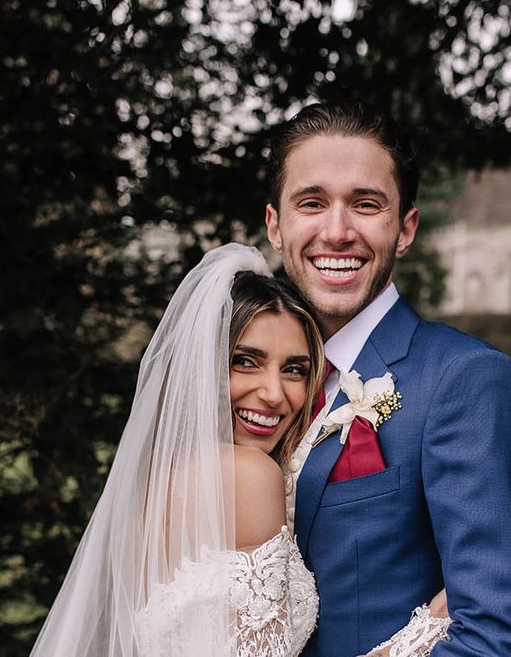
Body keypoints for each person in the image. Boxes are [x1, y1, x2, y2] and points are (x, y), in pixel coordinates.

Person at [266, 100, 511, 656]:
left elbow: (496, 642)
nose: (338, 230)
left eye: (366, 205)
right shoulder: (253, 387)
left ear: (405, 228)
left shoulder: (468, 382)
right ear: (276, 224)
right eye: (312, 203)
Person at [30, 244, 324, 656]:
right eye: (244, 361)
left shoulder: (155, 483)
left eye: (295, 369)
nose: (275, 393)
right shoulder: (249, 473)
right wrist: (420, 638)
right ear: (203, 366)